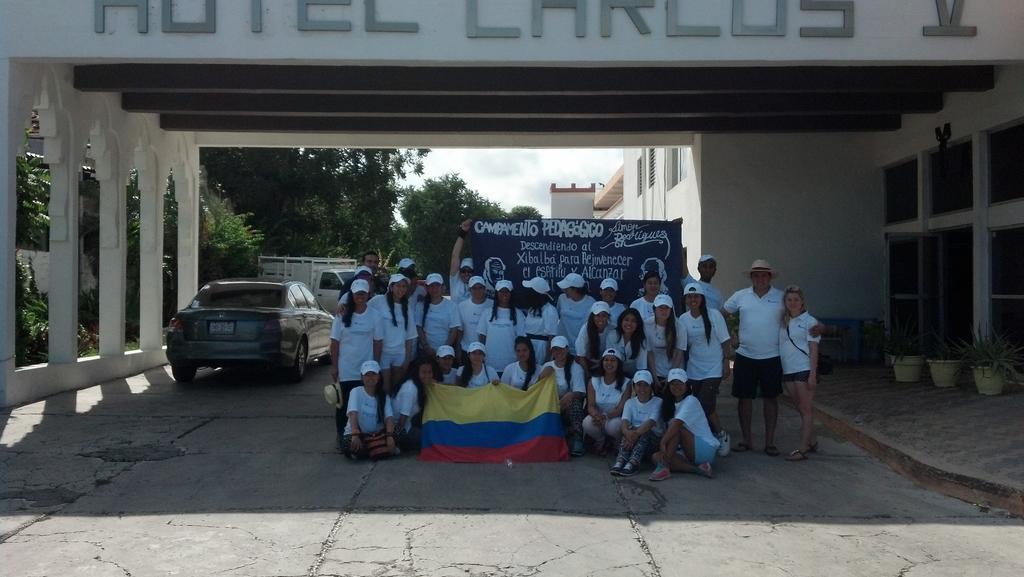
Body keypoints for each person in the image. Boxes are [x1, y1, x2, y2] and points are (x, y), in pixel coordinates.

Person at [721, 259, 788, 456]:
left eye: (764, 274)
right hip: (745, 355)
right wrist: (730, 334)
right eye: (756, 274)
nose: (760, 278)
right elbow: (721, 314)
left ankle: (769, 442)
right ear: (751, 277)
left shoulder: (781, 297)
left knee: (771, 399)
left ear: (770, 277)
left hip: (772, 356)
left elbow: (795, 317)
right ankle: (746, 440)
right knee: (744, 399)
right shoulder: (740, 296)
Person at [329, 279, 384, 448]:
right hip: (346, 368)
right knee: (343, 404)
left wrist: (375, 365)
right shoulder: (342, 314)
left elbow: (378, 342)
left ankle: (363, 435)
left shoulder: (375, 315)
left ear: (368, 294)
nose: (360, 296)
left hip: (365, 369)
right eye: (357, 293)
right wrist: (334, 365)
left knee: (366, 403)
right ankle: (342, 436)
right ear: (351, 295)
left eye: (363, 293)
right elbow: (335, 342)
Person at [680, 283, 733, 457]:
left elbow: (726, 341)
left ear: (702, 298)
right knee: (695, 405)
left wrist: (726, 362)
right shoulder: (683, 319)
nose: (693, 299)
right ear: (686, 299)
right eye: (689, 296)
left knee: (705, 403)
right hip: (693, 369)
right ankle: (703, 438)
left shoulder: (714, 315)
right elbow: (682, 348)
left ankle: (721, 434)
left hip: (713, 368)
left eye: (696, 296)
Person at [650, 368, 719, 480]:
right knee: (656, 457)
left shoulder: (691, 400)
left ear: (687, 385)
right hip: (686, 449)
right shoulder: (669, 404)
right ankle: (698, 469)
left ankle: (664, 467)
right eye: (673, 383)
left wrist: (663, 442)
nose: (676, 386)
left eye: (680, 383)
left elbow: (677, 424)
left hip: (704, 448)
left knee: (677, 428)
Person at [779, 285, 821, 461]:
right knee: (799, 407)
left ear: (802, 301)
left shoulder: (810, 322)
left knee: (805, 409)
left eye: (796, 299)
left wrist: (812, 374)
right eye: (789, 299)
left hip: (803, 369)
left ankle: (803, 449)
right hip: (788, 370)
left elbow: (813, 349)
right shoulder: (784, 321)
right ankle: (810, 441)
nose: (793, 303)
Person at [537, 335, 587, 456]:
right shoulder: (547, 366)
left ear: (567, 349)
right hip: (550, 407)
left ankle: (577, 439)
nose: (558, 352)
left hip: (567, 407)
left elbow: (580, 392)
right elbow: (537, 391)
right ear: (551, 351)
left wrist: (570, 395)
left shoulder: (576, 367)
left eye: (561, 348)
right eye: (555, 349)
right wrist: (541, 376)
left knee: (575, 403)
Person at [368, 274, 417, 395]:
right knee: (385, 387)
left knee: (397, 387)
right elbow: (361, 307)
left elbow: (410, 336)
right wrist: (343, 306)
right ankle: (385, 412)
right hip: (383, 352)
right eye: (398, 286)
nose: (401, 289)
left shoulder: (407, 306)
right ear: (391, 287)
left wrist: (407, 359)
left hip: (400, 353)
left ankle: (393, 412)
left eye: (404, 286)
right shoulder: (378, 301)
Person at [611, 370, 663, 477]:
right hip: (634, 439)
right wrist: (627, 433)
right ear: (634, 386)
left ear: (651, 386)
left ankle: (633, 463)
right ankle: (621, 460)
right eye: (639, 385)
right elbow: (625, 421)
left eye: (646, 385)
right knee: (628, 431)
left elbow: (651, 422)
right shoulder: (630, 402)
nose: (642, 389)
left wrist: (633, 434)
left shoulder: (658, 402)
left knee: (645, 432)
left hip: (653, 441)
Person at [341, 360, 396, 460]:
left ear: (379, 376)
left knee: (400, 435)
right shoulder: (356, 391)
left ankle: (377, 449)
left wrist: (389, 436)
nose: (370, 378)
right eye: (367, 375)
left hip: (378, 434)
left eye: (373, 374)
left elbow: (389, 417)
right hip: (359, 434)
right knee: (349, 445)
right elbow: (353, 414)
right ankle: (379, 450)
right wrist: (355, 434)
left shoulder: (384, 396)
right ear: (362, 377)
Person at [583, 348, 633, 455]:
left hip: (615, 418)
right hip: (599, 418)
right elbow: (591, 405)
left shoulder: (626, 383)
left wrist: (605, 416)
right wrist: (596, 415)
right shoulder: (593, 381)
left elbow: (621, 408)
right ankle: (601, 441)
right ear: (602, 362)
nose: (609, 363)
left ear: (618, 364)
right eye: (606, 360)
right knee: (587, 422)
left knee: (614, 426)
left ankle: (617, 443)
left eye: (613, 360)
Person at [477, 279, 526, 373]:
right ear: (496, 293)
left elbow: (521, 339)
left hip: (511, 364)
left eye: (507, 291)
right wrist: (481, 357)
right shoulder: (487, 313)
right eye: (501, 291)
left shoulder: (518, 314)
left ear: (511, 293)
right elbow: (482, 337)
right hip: (490, 364)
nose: (504, 294)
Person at [392, 358, 437, 453]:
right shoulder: (410, 389)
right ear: (416, 373)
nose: (427, 375)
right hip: (402, 429)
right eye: (424, 372)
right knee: (435, 439)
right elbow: (401, 421)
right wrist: (395, 441)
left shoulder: (420, 385)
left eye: (430, 372)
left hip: (410, 423)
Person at [645, 294, 686, 391]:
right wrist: (654, 378)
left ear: (671, 310)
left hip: (676, 373)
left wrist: (670, 376)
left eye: (666, 308)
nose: (663, 311)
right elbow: (649, 353)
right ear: (654, 309)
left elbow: (679, 353)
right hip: (655, 373)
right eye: (660, 308)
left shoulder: (680, 326)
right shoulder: (646, 325)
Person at [417, 273, 460, 359]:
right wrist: (426, 347)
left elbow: (454, 330)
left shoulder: (452, 306)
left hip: (445, 353)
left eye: (437, 285)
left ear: (442, 287)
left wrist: (444, 350)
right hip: (425, 352)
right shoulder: (420, 305)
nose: (434, 289)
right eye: (431, 286)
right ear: (427, 288)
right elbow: (419, 328)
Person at [522, 276, 560, 363]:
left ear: (535, 293)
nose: (527, 293)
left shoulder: (550, 310)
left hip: (541, 349)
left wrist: (547, 360)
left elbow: (551, 337)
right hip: (528, 346)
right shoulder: (532, 308)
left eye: (529, 290)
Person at [556, 273, 595, 354]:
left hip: (580, 348)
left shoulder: (591, 302)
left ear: (575, 289)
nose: (564, 290)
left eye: (566, 288)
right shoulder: (561, 298)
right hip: (561, 346)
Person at [455, 276, 492, 363]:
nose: (477, 291)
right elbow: (460, 331)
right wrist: (458, 349)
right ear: (470, 290)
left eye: (480, 288)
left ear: (484, 289)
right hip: (467, 351)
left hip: (487, 352)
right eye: (474, 288)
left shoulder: (492, 305)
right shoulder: (461, 306)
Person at [605, 308, 649, 377]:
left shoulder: (642, 340)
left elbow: (641, 367)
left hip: (634, 376)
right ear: (621, 321)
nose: (629, 323)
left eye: (633, 321)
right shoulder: (612, 335)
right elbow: (609, 361)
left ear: (638, 324)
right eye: (626, 320)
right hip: (615, 374)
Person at [575, 301, 612, 375]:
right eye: (597, 315)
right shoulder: (585, 329)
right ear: (592, 316)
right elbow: (581, 356)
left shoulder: (613, 329)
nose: (600, 318)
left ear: (608, 317)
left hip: (607, 363)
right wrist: (587, 374)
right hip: (587, 363)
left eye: (604, 315)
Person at [449, 219, 474, 302]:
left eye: (469, 271)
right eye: (463, 271)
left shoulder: (478, 285)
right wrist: (463, 232)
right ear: (459, 271)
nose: (466, 274)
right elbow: (455, 256)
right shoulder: (455, 281)